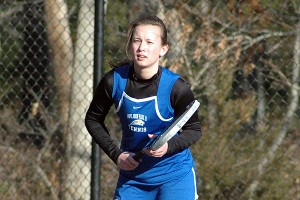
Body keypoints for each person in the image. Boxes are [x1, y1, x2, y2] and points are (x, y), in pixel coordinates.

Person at [85, 14, 202, 200]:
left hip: (175, 176)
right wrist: (116, 154)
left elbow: (194, 130)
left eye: (149, 42)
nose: (142, 47)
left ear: (163, 49)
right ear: (130, 46)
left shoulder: (177, 88)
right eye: (137, 40)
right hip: (134, 178)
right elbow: (92, 119)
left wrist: (168, 147)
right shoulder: (113, 81)